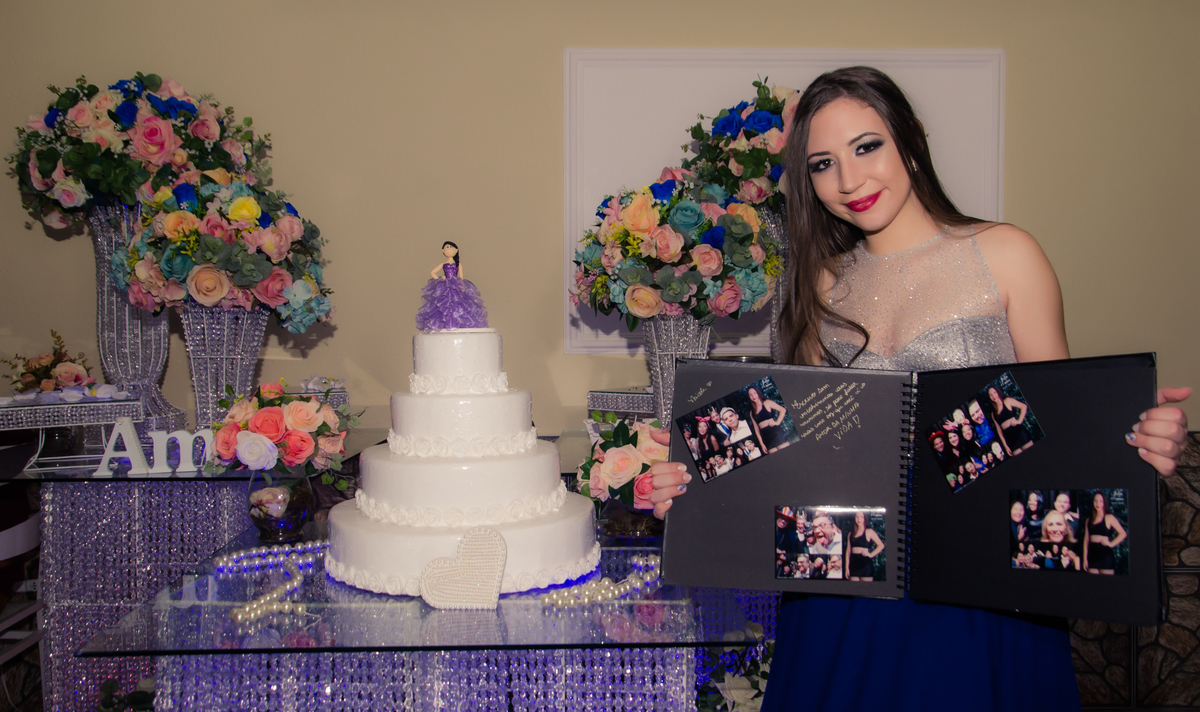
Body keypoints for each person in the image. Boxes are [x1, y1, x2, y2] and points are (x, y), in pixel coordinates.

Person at [647, 66, 1190, 710]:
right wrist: (692, 482)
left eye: (866, 147)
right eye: (822, 164)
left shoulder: (1007, 254)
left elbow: (1059, 431)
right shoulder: (818, 286)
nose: (849, 181)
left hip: (983, 597)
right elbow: (795, 455)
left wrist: (1135, 440)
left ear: (910, 140)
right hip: (842, 605)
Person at [414, 241, 488, 331]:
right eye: (447, 247)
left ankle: (457, 323)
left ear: (456, 250)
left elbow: (461, 277)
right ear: (443, 250)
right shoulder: (443, 264)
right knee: (444, 304)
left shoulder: (458, 264)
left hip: (456, 286)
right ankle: (445, 324)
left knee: (458, 304)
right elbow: (432, 273)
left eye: (451, 247)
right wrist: (441, 278)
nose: (449, 249)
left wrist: (462, 286)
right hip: (445, 286)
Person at [1084, 491, 1128, 575]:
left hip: (1105, 556)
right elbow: (1086, 540)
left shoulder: (1109, 517)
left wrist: (1111, 544)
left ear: (1104, 502)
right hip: (1092, 556)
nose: (1098, 503)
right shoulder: (1088, 520)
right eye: (1095, 501)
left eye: (1101, 501)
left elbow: (1123, 533)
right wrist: (1085, 559)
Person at [988, 385, 1034, 456]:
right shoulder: (993, 413)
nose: (993, 395)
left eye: (994, 392)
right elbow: (999, 430)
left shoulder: (1007, 400)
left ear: (997, 391)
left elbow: (1023, 406)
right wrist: (1005, 446)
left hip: (1019, 432)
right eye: (991, 395)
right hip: (1010, 438)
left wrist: (1019, 421)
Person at [747, 385, 791, 453]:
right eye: (750, 395)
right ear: (749, 397)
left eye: (755, 393)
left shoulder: (766, 402)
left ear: (758, 392)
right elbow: (756, 429)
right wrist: (761, 444)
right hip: (766, 437)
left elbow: (783, 410)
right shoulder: (751, 412)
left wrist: (777, 422)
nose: (753, 396)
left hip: (776, 433)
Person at [848, 510, 885, 581]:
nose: (859, 519)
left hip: (865, 565)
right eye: (857, 517)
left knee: (865, 587)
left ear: (865, 518)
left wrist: (871, 554)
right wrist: (847, 567)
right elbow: (848, 552)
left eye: (861, 517)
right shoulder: (850, 533)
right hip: (853, 565)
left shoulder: (869, 531)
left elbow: (881, 545)